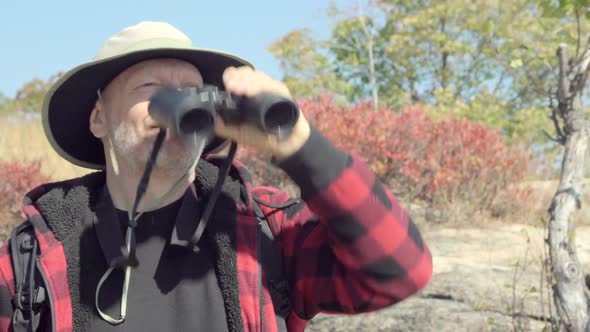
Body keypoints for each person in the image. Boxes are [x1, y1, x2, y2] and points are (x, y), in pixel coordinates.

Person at [0, 21, 432, 332]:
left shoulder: (265, 226)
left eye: (191, 93)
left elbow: (398, 270)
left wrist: (299, 145)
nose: (176, 105)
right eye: (151, 90)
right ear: (99, 118)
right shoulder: (35, 252)